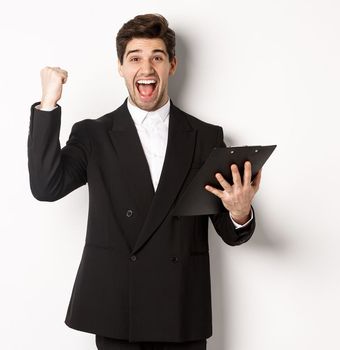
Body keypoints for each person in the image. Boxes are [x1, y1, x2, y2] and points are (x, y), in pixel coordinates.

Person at [27, 13, 261, 350]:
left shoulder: (205, 137)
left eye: (157, 57)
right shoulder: (94, 134)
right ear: (121, 67)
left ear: (172, 65)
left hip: (181, 310)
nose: (146, 68)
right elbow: (46, 186)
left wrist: (240, 212)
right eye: (135, 58)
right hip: (119, 308)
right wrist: (48, 103)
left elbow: (230, 230)